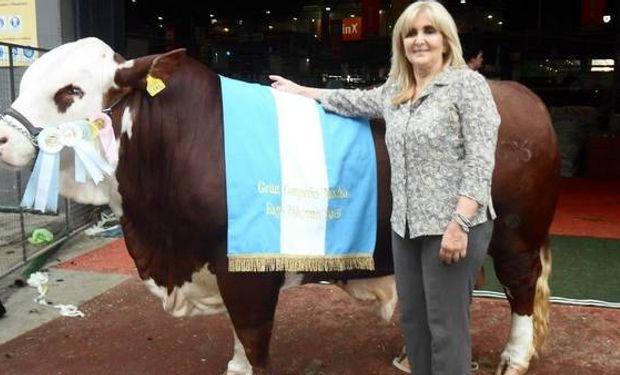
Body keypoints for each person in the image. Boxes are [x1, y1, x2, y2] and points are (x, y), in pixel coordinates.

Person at [269, 1, 500, 374]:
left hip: (452, 226)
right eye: (411, 33)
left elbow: (480, 160)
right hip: (405, 226)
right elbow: (352, 100)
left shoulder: (466, 86)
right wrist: (301, 91)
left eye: (429, 31)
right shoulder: (398, 89)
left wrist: (460, 224)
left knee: (446, 328)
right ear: (401, 43)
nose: (419, 40)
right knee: (413, 323)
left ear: (446, 39)